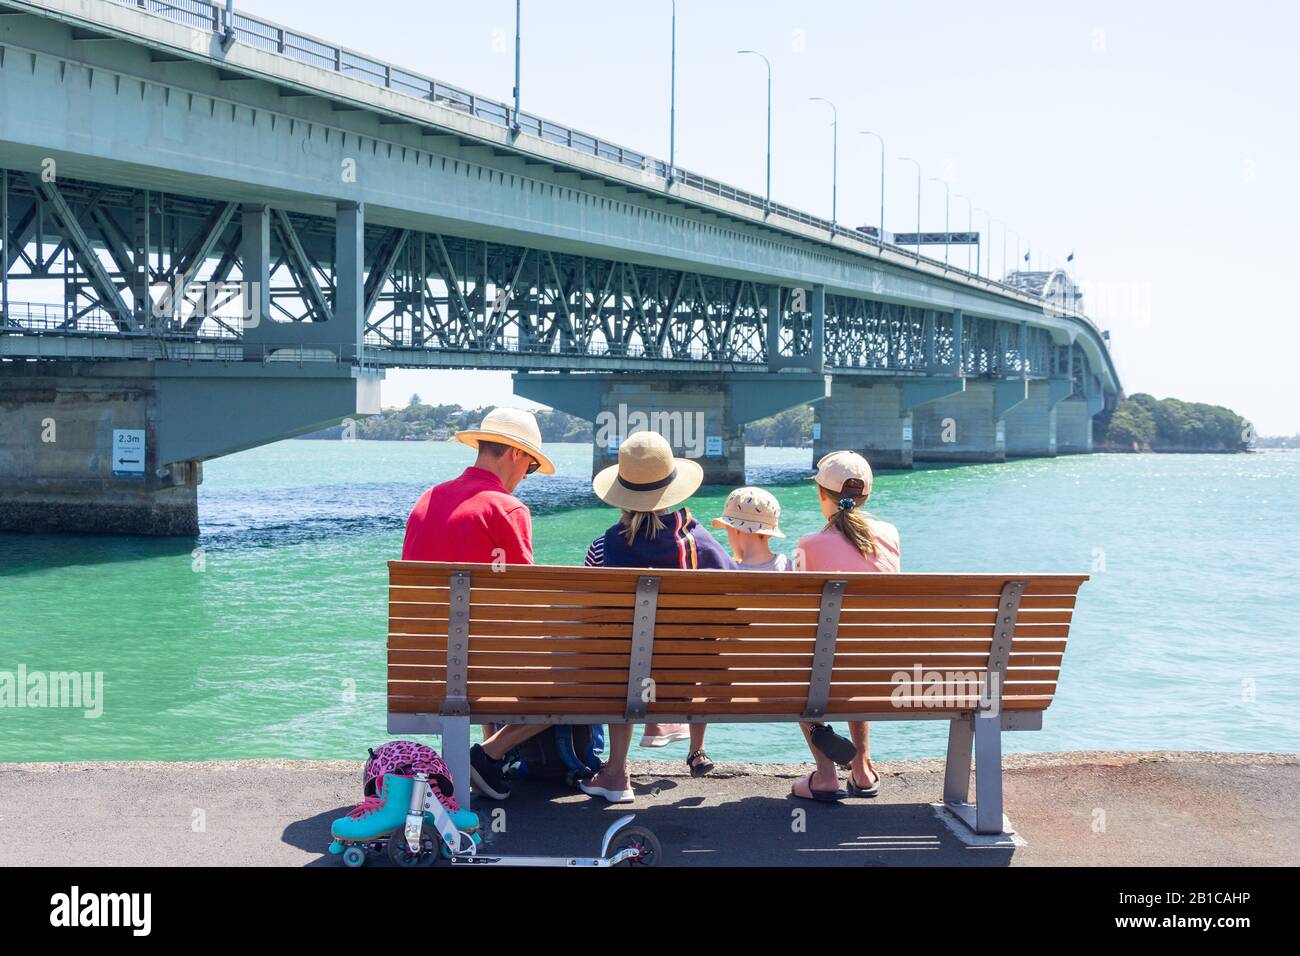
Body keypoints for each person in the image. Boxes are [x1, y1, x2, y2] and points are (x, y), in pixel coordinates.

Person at [401, 407, 556, 800]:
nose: (526, 477)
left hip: (420, 664)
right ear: (515, 454)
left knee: (482, 642)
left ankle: (490, 763)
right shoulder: (506, 509)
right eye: (531, 467)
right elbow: (524, 602)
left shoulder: (427, 500)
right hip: (483, 665)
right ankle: (488, 754)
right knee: (574, 677)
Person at [578, 431, 736, 801]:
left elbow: (589, 620)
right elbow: (735, 612)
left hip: (621, 679)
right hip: (687, 679)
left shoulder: (602, 548)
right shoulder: (704, 546)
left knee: (621, 658)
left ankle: (616, 772)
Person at [790, 450, 901, 802]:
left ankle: (825, 775)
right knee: (855, 653)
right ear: (866, 497)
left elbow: (799, 618)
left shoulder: (808, 545)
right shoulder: (890, 535)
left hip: (825, 670)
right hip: (879, 669)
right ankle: (863, 769)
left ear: (822, 495)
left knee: (805, 663)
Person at [712, 486, 790, 570]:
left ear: (736, 530)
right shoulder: (784, 563)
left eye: (728, 530)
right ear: (769, 533)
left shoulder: (729, 570)